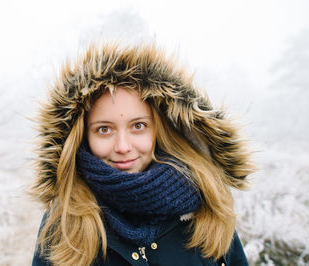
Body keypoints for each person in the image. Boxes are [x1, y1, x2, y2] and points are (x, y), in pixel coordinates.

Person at [30, 43, 256, 266]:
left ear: (160, 129)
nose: (123, 147)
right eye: (104, 129)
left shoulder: (208, 203)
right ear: (83, 137)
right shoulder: (64, 220)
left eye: (138, 126)